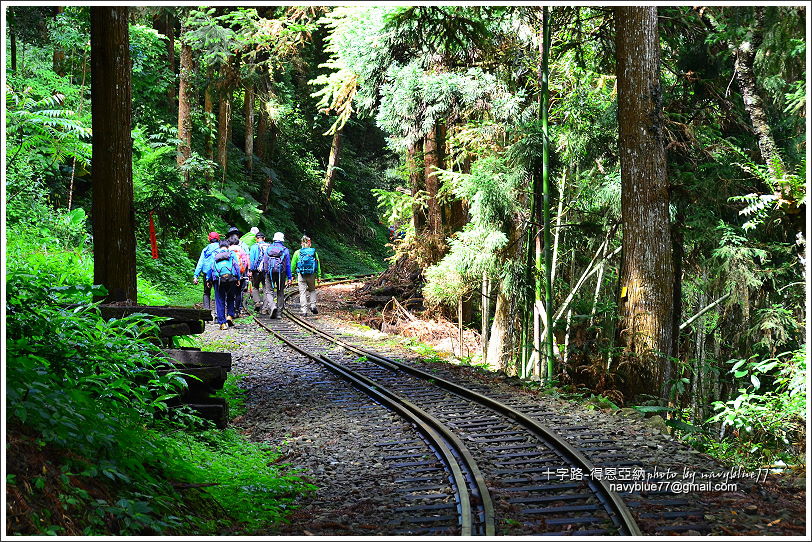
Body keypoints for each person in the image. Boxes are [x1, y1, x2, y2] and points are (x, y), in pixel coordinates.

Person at [207, 239, 242, 330]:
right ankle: (230, 315)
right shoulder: (231, 253)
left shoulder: (214, 254)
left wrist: (208, 279)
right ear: (228, 246)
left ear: (219, 246)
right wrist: (238, 278)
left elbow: (210, 267)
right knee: (231, 297)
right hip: (231, 279)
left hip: (218, 280)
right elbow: (236, 266)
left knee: (220, 300)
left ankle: (222, 323)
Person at [290, 235, 322, 316]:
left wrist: (292, 275)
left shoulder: (297, 252)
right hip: (311, 274)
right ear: (309, 243)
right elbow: (317, 264)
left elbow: (293, 265)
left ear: (301, 243)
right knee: (312, 290)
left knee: (302, 292)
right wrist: (319, 276)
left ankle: (304, 310)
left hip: (301, 274)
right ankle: (313, 306)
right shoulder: (314, 252)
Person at [263, 232, 291, 319]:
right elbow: (287, 265)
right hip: (281, 273)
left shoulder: (268, 248)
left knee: (269, 291)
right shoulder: (285, 250)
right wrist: (289, 277)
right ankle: (279, 313)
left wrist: (266, 272)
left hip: (269, 273)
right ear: (282, 240)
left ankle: (272, 306)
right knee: (280, 292)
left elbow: (265, 261)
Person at [192, 232, 220, 312]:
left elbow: (200, 263)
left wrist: (195, 275)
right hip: (218, 273)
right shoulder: (222, 248)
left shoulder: (205, 249)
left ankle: (206, 312)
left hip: (207, 273)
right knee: (218, 294)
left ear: (209, 239)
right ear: (218, 239)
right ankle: (218, 315)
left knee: (206, 293)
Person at [226, 227, 251, 316]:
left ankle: (230, 311)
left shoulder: (227, 247)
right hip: (240, 273)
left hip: (228, 273)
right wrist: (247, 271)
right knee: (238, 292)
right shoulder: (243, 246)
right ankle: (237, 310)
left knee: (229, 292)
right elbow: (246, 260)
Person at [248, 232, 271, 313]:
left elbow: (251, 259)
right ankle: (265, 308)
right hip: (266, 270)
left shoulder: (253, 247)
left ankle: (257, 302)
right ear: (264, 238)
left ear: (256, 239)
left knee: (255, 286)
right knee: (266, 288)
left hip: (256, 271)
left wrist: (250, 270)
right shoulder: (269, 246)